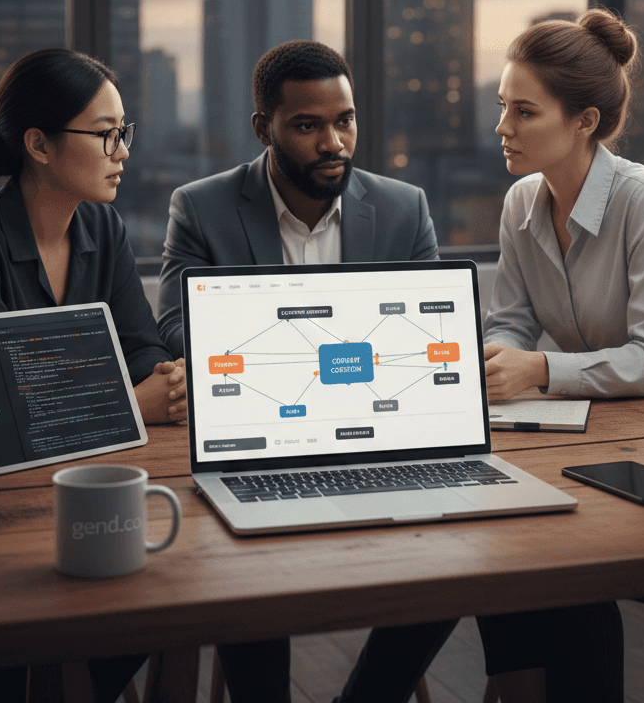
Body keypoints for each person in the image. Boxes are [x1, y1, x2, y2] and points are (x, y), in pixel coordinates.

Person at [157, 39, 454, 703]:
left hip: (380, 436)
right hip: (259, 440)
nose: (333, 141)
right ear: (264, 129)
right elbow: (174, 326)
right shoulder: (202, 206)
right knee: (240, 559)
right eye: (308, 125)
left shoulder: (405, 209)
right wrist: (313, 354)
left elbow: (436, 338)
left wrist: (267, 339)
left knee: (453, 552)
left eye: (344, 120)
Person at [0, 47, 186, 703]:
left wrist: (157, 381)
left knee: (164, 585)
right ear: (38, 143)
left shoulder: (104, 226)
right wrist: (131, 400)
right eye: (105, 134)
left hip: (80, 464)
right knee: (27, 609)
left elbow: (141, 347)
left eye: (126, 132)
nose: (122, 150)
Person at [476, 7, 644, 703]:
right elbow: (508, 321)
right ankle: (519, 690)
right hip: (570, 439)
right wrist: (497, 362)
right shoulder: (520, 202)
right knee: (498, 534)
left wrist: (538, 370)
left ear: (585, 121)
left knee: (552, 559)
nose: (502, 127)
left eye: (524, 112)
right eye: (502, 107)